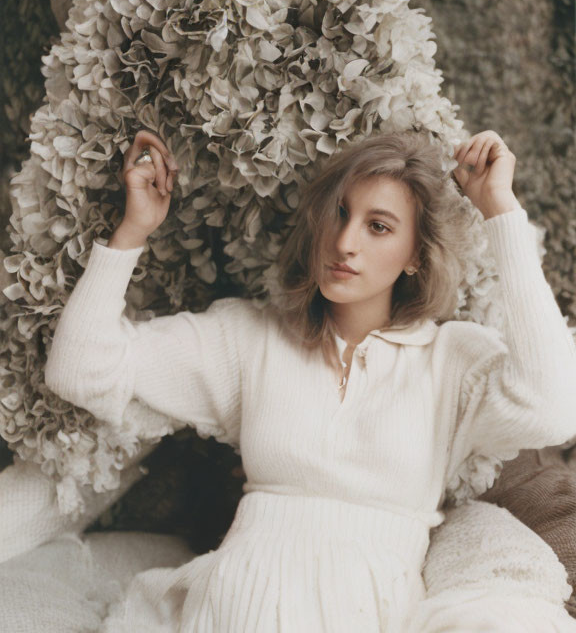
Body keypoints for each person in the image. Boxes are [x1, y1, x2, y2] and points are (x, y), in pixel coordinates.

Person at [32, 127, 576, 631]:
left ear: (415, 255)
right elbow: (80, 370)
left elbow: (554, 408)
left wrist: (501, 211)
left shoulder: (452, 359)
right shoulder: (249, 338)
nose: (344, 242)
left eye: (378, 226)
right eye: (338, 213)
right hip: (233, 608)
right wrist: (133, 230)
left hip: (368, 612)